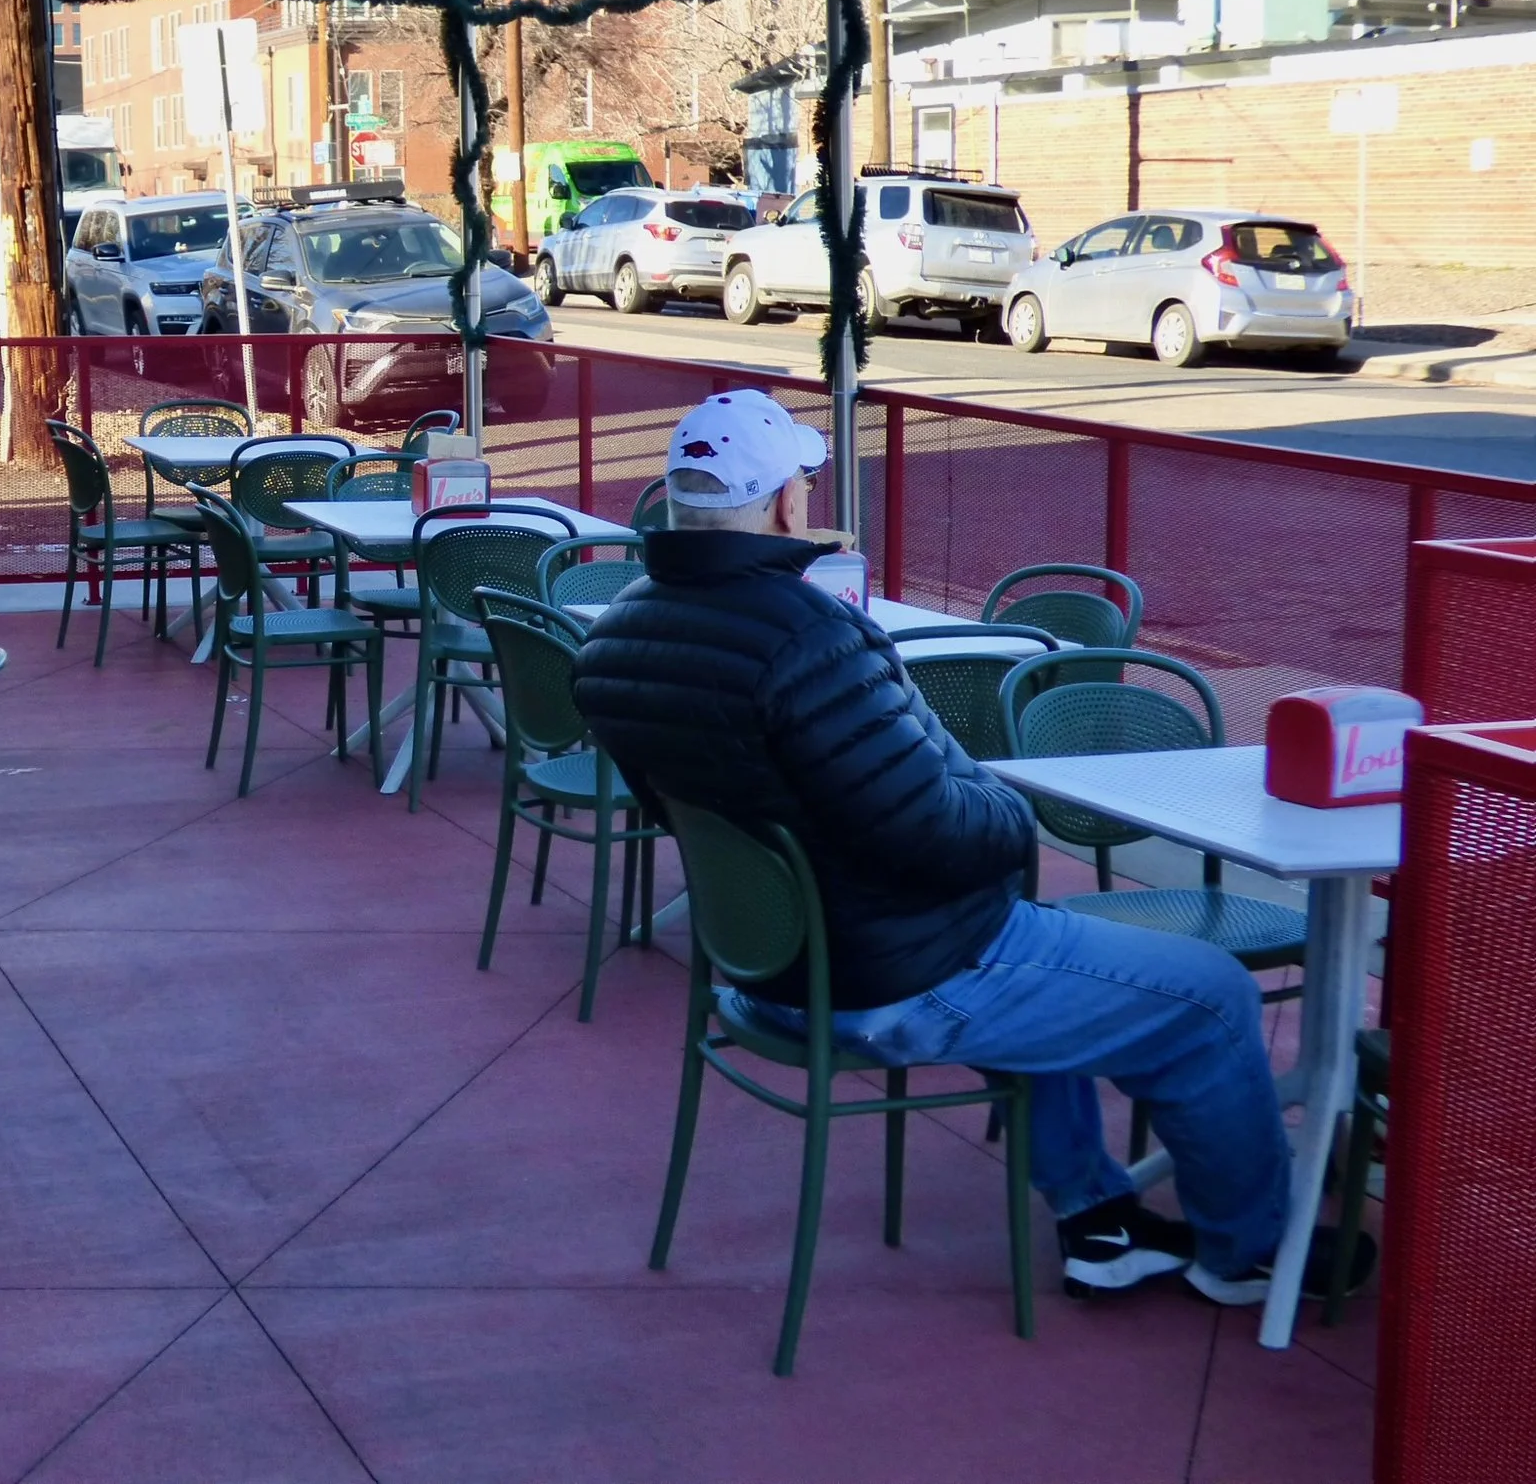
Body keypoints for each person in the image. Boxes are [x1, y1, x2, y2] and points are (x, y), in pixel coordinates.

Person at [573, 388, 1367, 1305]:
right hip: (893, 974)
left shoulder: (615, 636)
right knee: (1214, 996)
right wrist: (1010, 808)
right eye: (804, 485)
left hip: (769, 972)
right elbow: (941, 830)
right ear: (789, 502)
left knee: (1050, 957)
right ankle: (1249, 1251)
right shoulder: (814, 637)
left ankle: (1100, 1220)